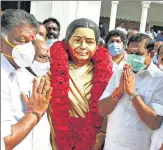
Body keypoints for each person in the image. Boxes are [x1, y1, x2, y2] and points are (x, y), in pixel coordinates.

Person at [49, 18, 113, 150]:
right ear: (67, 42)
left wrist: (102, 133)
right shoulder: (52, 70)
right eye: (77, 40)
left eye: (89, 42)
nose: (83, 46)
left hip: (92, 138)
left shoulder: (108, 73)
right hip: (59, 136)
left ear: (97, 45)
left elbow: (109, 108)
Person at [99, 33, 163, 150]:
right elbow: (102, 109)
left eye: (138, 54)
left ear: (151, 54)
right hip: (111, 145)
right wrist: (118, 91)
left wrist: (132, 93)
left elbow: (155, 123)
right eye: (130, 53)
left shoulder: (159, 79)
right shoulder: (120, 70)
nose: (133, 57)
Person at [1, 9, 52, 150]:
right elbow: (4, 142)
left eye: (30, 42)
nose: (27, 49)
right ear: (1, 41)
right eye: (20, 41)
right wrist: (35, 113)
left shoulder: (24, 73)